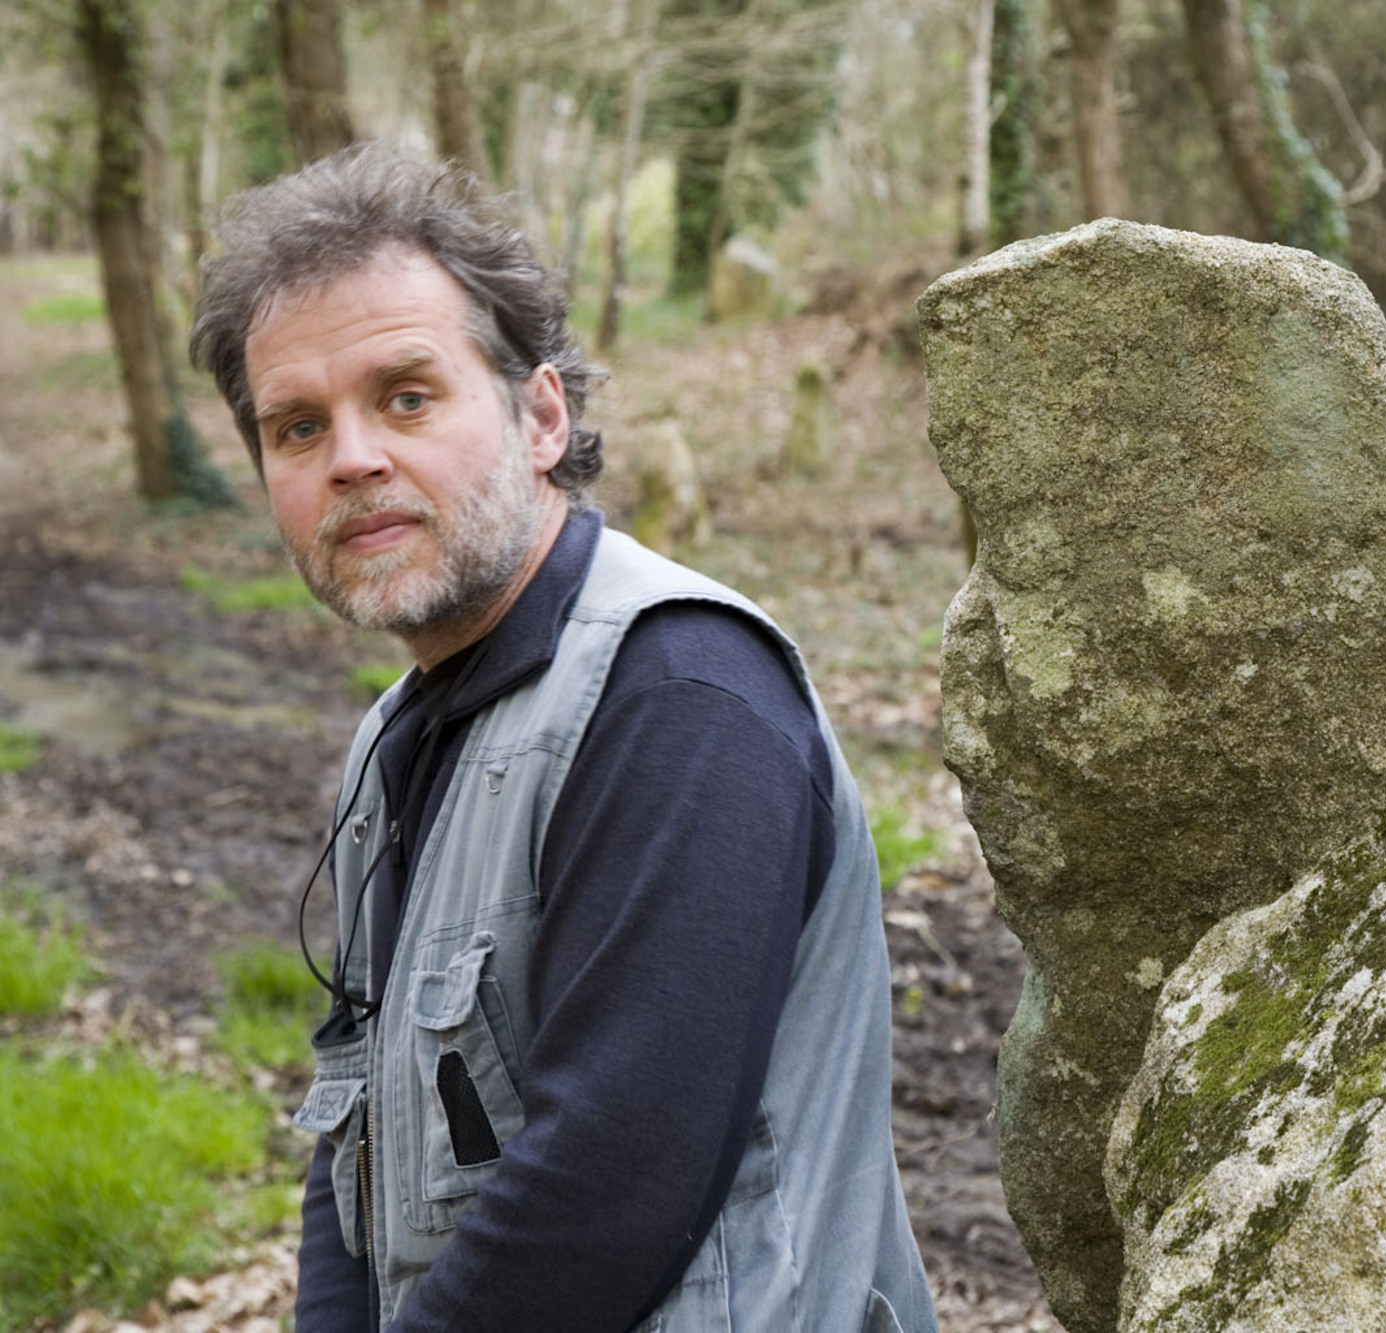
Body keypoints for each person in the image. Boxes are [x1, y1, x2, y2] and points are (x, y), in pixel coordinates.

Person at [189, 142, 937, 1333]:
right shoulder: (395, 736)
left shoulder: (679, 694)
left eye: (406, 396)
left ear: (540, 417)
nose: (353, 459)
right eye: (296, 428)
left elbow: (603, 1189)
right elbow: (351, 1151)